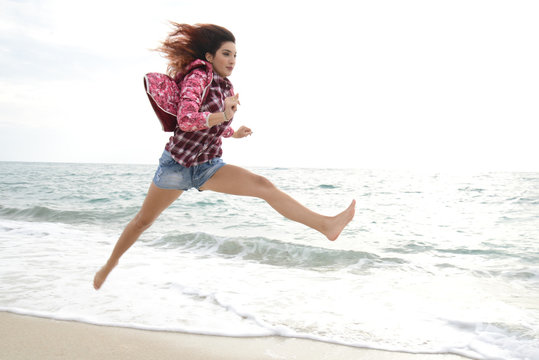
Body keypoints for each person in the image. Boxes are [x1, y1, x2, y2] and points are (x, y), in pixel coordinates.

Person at [93, 23, 355, 290]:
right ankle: (110, 263)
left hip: (208, 166)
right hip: (177, 166)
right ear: (209, 56)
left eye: (235, 55)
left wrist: (232, 132)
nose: (232, 60)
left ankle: (326, 226)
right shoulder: (198, 77)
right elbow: (186, 120)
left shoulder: (226, 87)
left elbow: (212, 126)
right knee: (143, 221)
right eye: (226, 54)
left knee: (263, 186)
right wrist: (226, 116)